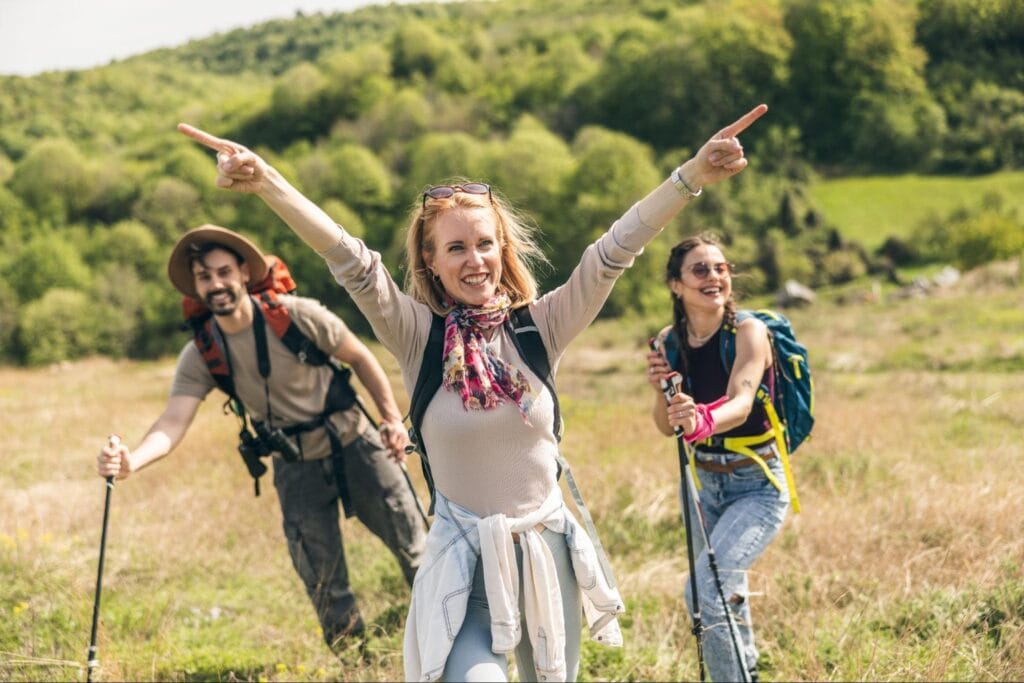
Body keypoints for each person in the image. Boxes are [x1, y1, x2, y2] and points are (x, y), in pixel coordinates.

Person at [177, 102, 766, 682]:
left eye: (484, 244)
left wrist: (691, 177)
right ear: (431, 262)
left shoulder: (542, 327)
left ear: (502, 250)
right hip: (464, 555)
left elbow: (613, 251)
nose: (474, 260)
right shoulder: (417, 337)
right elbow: (348, 259)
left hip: (546, 553)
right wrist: (268, 184)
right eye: (455, 248)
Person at [96, 225, 428, 651]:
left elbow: (360, 357)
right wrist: (132, 462)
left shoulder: (294, 314)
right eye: (204, 277)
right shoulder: (202, 352)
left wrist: (390, 420)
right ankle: (357, 662)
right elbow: (173, 420)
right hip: (295, 462)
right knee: (320, 575)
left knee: (414, 545)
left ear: (242, 274)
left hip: (355, 442)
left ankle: (444, 634)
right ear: (196, 288)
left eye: (222, 272)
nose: (215, 284)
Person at [645, 234, 791, 682]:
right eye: (701, 270)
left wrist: (701, 421)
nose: (715, 277)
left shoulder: (748, 331)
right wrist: (661, 394)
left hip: (757, 485)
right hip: (704, 485)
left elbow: (741, 402)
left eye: (721, 268)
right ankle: (747, 668)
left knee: (705, 593)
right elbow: (664, 424)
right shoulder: (669, 342)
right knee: (725, 593)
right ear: (676, 284)